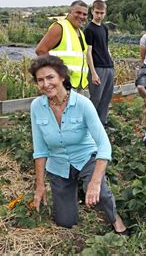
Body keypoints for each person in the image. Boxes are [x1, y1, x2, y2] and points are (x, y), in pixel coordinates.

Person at [28, 55, 128, 235]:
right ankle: (78, 192)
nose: (46, 84)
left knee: (102, 194)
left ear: (62, 77)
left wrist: (95, 182)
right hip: (58, 164)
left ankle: (116, 220)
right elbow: (40, 149)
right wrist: (40, 186)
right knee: (65, 222)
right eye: (40, 80)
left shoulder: (82, 104)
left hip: (85, 157)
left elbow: (104, 145)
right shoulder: (37, 106)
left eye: (50, 77)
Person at [35, 0, 89, 91]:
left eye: (84, 14)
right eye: (78, 13)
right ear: (70, 12)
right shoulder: (60, 27)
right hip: (62, 85)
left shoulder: (80, 32)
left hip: (77, 85)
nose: (81, 16)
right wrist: (56, 75)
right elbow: (41, 50)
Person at [84, 0, 114, 126]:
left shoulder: (104, 28)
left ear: (105, 13)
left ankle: (103, 124)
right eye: (97, 12)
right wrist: (93, 72)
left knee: (106, 98)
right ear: (92, 12)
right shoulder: (89, 29)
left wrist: (111, 62)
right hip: (97, 68)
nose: (99, 15)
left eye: (102, 13)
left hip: (108, 67)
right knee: (96, 98)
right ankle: (90, 125)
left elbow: (106, 47)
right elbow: (88, 52)